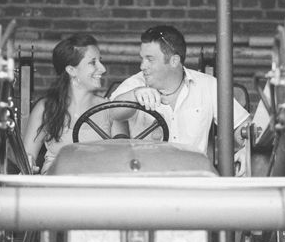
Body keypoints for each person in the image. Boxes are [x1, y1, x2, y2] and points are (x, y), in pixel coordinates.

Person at [109, 24, 251, 157]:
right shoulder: (135, 84)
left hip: (193, 173)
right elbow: (111, 113)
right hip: (147, 172)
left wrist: (245, 150)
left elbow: (243, 125)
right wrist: (134, 95)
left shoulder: (208, 85)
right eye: (142, 58)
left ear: (174, 61)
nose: (142, 66)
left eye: (150, 59)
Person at [21, 33, 112, 174]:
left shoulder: (110, 108)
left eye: (100, 61)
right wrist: (29, 163)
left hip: (97, 184)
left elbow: (121, 157)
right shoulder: (46, 109)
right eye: (93, 62)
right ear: (71, 70)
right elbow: (27, 158)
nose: (103, 68)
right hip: (56, 183)